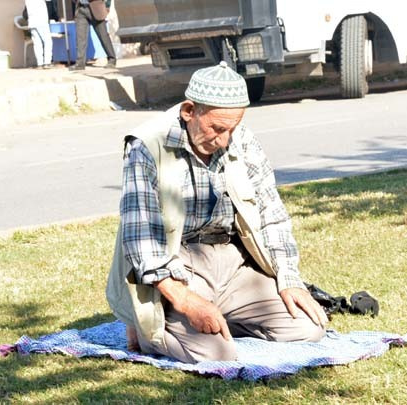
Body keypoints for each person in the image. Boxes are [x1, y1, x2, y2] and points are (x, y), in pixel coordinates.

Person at [106, 61, 328, 364]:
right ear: (189, 111)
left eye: (232, 128)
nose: (224, 140)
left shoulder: (242, 139)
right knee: (216, 354)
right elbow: (141, 238)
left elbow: (271, 213)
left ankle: (216, 317)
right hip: (178, 266)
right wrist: (184, 300)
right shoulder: (145, 146)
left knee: (310, 325)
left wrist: (289, 279)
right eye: (217, 128)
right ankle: (149, 329)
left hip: (233, 262)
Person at [69, 0, 116, 71]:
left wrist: (107, 6)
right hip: (81, 8)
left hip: (96, 7)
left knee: (103, 36)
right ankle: (80, 63)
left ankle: (112, 59)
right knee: (80, 38)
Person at [24, 0, 53, 68]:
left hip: (32, 21)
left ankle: (39, 63)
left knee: (37, 44)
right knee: (47, 41)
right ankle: (47, 62)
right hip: (41, 20)